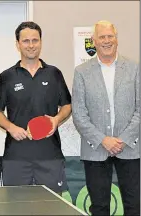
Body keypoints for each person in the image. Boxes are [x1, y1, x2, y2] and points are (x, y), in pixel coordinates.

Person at [0, 21, 72, 194]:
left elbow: (67, 105)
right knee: (17, 207)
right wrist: (11, 127)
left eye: (35, 40)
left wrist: (56, 119)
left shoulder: (54, 74)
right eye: (26, 41)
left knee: (51, 208)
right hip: (16, 158)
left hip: (50, 156)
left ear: (41, 42)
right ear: (18, 44)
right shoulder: (6, 76)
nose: (31, 45)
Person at [72, 20, 139, 216]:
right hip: (96, 149)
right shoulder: (81, 72)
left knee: (134, 206)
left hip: (130, 148)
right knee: (99, 207)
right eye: (102, 37)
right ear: (94, 41)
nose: (106, 41)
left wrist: (123, 139)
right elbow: (79, 113)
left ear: (116, 39)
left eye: (110, 36)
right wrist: (103, 140)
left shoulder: (135, 69)